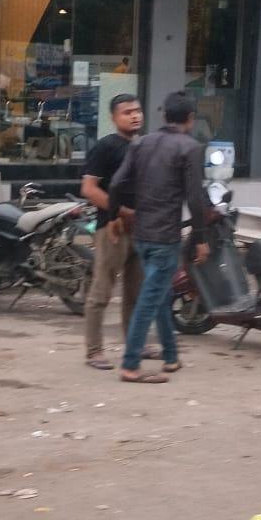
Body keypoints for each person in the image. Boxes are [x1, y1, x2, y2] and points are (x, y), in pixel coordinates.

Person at [108, 91, 212, 385]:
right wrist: (200, 238)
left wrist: (115, 215)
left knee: (162, 294)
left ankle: (170, 356)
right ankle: (130, 365)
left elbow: (116, 183)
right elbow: (194, 197)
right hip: (165, 237)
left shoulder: (141, 143)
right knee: (150, 299)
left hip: (142, 234)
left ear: (164, 115)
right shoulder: (189, 147)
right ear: (190, 119)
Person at [81, 94, 145, 371]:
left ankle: (135, 345)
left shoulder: (144, 146)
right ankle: (94, 350)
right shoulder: (106, 147)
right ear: (114, 117)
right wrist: (121, 211)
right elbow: (90, 189)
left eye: (137, 110)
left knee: (136, 292)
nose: (134, 116)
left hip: (142, 230)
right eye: (127, 112)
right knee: (102, 291)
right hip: (112, 229)